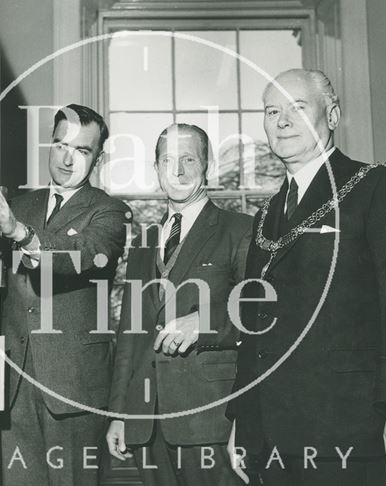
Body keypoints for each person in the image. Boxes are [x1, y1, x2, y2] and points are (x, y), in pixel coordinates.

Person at [226, 69, 386, 486]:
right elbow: (254, 325)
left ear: (334, 116)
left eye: (298, 108)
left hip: (348, 428)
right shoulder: (267, 214)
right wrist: (243, 416)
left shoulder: (378, 186)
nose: (282, 121)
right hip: (269, 435)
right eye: (272, 111)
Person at [0, 104, 131, 486]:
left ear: (98, 158)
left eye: (81, 150)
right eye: (61, 144)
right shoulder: (17, 204)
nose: (66, 158)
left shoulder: (110, 212)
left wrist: (21, 234)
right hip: (12, 384)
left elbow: (86, 254)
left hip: (74, 388)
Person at [106, 123, 253, 486]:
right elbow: (130, 334)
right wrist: (118, 413)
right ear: (156, 169)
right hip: (146, 421)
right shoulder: (144, 242)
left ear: (208, 165)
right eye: (168, 160)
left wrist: (203, 322)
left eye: (189, 159)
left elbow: (260, 309)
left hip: (211, 417)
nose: (179, 171)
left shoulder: (240, 228)